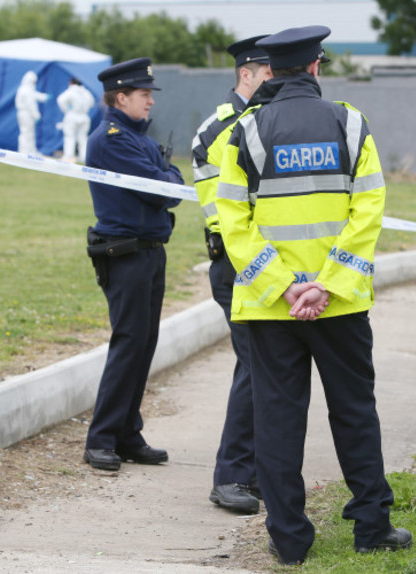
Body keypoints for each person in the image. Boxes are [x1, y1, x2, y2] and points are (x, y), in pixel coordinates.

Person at [216, 26, 412, 565]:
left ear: (272, 71)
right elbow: (368, 211)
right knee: (354, 412)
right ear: (316, 66)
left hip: (270, 306)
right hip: (340, 304)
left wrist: (284, 286)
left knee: (277, 420)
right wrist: (327, 284)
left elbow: (233, 222)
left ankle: (289, 539)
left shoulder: (246, 131)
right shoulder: (351, 123)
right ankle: (372, 527)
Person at [83, 58, 183, 471]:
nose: (150, 103)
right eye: (144, 95)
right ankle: (101, 438)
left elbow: (170, 179)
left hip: (147, 250)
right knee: (129, 343)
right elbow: (167, 189)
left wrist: (168, 175)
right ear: (121, 97)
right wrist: (168, 175)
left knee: (143, 344)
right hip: (125, 253)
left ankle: (127, 432)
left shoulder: (134, 137)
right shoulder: (112, 139)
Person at [192, 36, 272, 516]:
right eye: (269, 72)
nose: (275, 80)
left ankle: (256, 472)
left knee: (262, 366)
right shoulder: (224, 127)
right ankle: (232, 476)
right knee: (254, 366)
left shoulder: (257, 121)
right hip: (236, 262)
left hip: (258, 262)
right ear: (247, 73)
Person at [56, 78, 95, 163]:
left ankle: (69, 156)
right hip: (84, 117)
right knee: (83, 138)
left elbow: (60, 100)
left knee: (70, 137)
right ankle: (84, 157)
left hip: (72, 116)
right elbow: (92, 102)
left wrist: (67, 110)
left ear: (71, 83)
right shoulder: (86, 92)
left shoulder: (71, 91)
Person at [15, 70, 48, 154]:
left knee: (27, 133)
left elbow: (35, 95)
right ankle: (25, 152)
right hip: (27, 114)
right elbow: (31, 104)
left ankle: (30, 151)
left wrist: (44, 97)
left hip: (24, 113)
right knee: (27, 133)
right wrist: (36, 115)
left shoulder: (23, 89)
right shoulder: (26, 90)